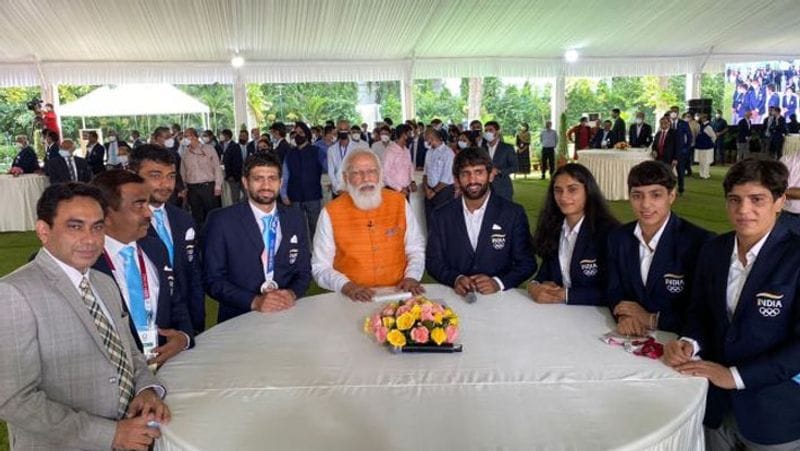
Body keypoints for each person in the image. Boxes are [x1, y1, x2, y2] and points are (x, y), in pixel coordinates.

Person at [0, 182, 169, 450]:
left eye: (97, 227)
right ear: (44, 231)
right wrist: (109, 434)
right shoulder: (13, 293)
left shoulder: (104, 283)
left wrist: (146, 390)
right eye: (75, 226)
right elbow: (13, 400)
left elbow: (130, 353)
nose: (90, 239)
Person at [664, 159, 800, 450]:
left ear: (780, 202)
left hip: (774, 413)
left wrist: (734, 376)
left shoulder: (796, 256)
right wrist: (689, 341)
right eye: (734, 200)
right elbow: (700, 311)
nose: (743, 210)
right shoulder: (714, 249)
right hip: (714, 406)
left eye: (757, 199)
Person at [90, 170, 194, 366]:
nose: (148, 213)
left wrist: (183, 337)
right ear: (105, 213)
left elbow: (176, 303)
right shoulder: (86, 263)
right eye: (139, 205)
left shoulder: (155, 248)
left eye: (147, 204)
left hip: (165, 368)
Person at [607, 161, 714, 335]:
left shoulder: (700, 242)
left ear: (671, 196)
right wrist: (624, 316)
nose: (645, 204)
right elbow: (614, 290)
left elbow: (705, 311)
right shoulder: (618, 238)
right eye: (637, 196)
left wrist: (652, 319)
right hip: (629, 337)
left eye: (655, 195)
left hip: (678, 343)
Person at [204, 153, 312, 323]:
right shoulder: (221, 220)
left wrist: (291, 293)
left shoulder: (295, 218)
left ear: (281, 182)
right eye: (258, 178)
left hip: (287, 314)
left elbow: (304, 271)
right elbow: (213, 280)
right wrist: (254, 301)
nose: (266, 185)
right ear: (246, 182)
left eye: (272, 178)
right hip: (238, 319)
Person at [312, 148, 425, 301]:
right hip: (351, 299)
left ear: (380, 174)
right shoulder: (330, 212)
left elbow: (415, 248)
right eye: (357, 173)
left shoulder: (399, 203)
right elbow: (320, 266)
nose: (366, 178)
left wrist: (412, 276)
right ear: (346, 178)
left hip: (398, 294)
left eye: (372, 171)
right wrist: (346, 286)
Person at [426, 147, 536, 297]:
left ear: (490, 175)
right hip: (456, 298)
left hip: (501, 300)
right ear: (456, 179)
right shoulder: (441, 215)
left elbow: (527, 263)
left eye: (479, 172)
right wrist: (455, 279)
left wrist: (498, 282)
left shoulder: (513, 213)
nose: (472, 180)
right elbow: (433, 262)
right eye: (465, 174)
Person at [130, 146, 206, 334]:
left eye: (171, 176)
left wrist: (195, 326)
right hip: (147, 329)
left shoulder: (183, 219)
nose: (166, 184)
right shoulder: (123, 225)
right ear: (133, 175)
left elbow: (193, 275)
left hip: (186, 325)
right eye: (155, 175)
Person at [529, 164, 619, 305]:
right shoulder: (552, 227)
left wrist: (566, 295)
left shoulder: (609, 233)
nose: (564, 197)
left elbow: (614, 291)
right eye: (558, 190)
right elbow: (543, 275)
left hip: (596, 317)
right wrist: (533, 286)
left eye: (572, 189)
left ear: (588, 191)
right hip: (557, 314)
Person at [280, 122, 327, 241]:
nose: (298, 136)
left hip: (313, 195)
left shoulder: (317, 151)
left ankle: (316, 253)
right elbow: (285, 175)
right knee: (297, 228)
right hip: (294, 196)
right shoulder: (290, 154)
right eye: (296, 133)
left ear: (307, 135)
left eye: (301, 133)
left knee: (315, 227)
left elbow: (329, 168)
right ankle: (302, 254)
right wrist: (283, 194)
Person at [180, 127, 223, 227]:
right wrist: (183, 187)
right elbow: (183, 171)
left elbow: (217, 167)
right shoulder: (185, 153)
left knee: (212, 214)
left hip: (208, 187)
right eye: (184, 136)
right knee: (197, 215)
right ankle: (200, 237)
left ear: (194, 137)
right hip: (192, 188)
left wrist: (218, 186)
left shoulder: (208, 149)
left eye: (186, 136)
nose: (184, 139)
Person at [423, 128, 455, 224]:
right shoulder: (429, 152)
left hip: (443, 192)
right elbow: (425, 173)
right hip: (429, 192)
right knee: (430, 221)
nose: (425, 142)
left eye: (426, 139)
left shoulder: (448, 153)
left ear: (431, 138)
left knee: (442, 222)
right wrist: (426, 189)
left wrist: (433, 191)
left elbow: (446, 178)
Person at [484, 120, 518, 200]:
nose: (487, 132)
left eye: (490, 130)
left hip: (502, 188)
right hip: (485, 189)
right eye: (486, 130)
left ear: (498, 132)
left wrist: (499, 171)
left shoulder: (507, 148)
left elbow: (515, 167)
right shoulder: (482, 148)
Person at [383, 123, 417, 197]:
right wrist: (400, 189)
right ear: (403, 135)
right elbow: (385, 175)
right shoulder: (390, 151)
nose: (411, 137)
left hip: (406, 190)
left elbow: (410, 166)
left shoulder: (406, 150)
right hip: (394, 191)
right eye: (409, 134)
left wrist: (412, 181)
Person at [669, 106, 693, 195]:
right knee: (668, 171)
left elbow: (689, 136)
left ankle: (681, 188)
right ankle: (669, 188)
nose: (673, 113)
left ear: (678, 113)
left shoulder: (683, 123)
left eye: (675, 111)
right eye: (672, 111)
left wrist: (686, 148)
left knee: (680, 171)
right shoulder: (667, 122)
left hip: (681, 151)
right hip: (670, 151)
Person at [222, 129, 247, 203]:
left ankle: (242, 207)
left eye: (244, 136)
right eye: (241, 136)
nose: (242, 137)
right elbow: (226, 161)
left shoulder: (249, 147)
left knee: (247, 195)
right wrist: (229, 175)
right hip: (234, 176)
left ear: (247, 137)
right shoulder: (233, 147)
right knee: (235, 196)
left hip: (246, 176)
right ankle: (236, 211)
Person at [695, 113, 717, 179]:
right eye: (701, 118)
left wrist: (710, 143)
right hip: (700, 146)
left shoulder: (708, 127)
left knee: (707, 161)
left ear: (705, 118)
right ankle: (701, 174)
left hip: (707, 147)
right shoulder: (701, 126)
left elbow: (714, 136)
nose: (701, 119)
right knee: (701, 161)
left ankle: (706, 174)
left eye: (702, 118)